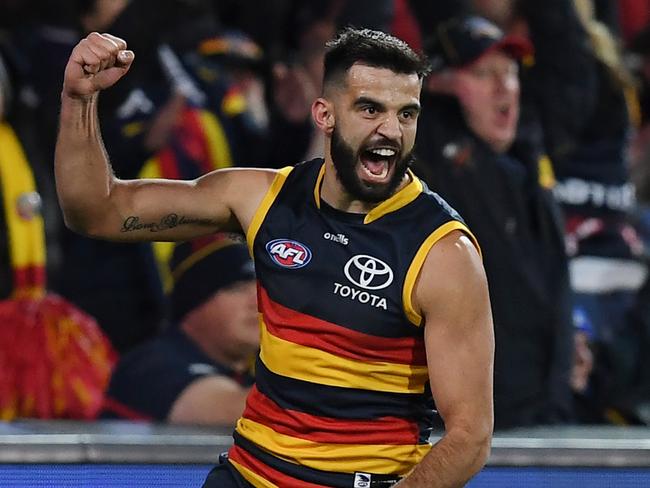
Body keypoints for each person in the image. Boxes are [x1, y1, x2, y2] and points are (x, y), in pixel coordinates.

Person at [55, 28, 494, 488]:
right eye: (370, 109)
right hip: (247, 475)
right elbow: (97, 211)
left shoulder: (443, 253)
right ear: (324, 115)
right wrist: (78, 99)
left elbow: (470, 436)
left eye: (407, 114)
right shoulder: (262, 199)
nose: (391, 130)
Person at [414, 16, 576, 428]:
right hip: (472, 428)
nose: (504, 86)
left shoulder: (528, 164)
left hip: (544, 413)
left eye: (510, 72)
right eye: (484, 74)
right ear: (440, 85)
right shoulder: (429, 162)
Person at [101, 234, 258, 424]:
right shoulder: (149, 366)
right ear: (195, 301)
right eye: (238, 288)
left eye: (263, 289)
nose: (258, 303)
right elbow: (238, 412)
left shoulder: (249, 373)